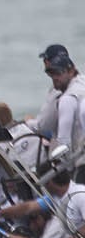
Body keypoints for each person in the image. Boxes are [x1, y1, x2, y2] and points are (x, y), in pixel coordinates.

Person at [32, 45, 85, 177]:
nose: (55, 77)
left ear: (71, 71)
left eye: (59, 73)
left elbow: (63, 141)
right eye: (51, 73)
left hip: (80, 164)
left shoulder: (67, 99)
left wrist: (63, 174)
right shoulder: (82, 82)